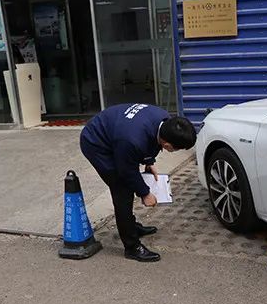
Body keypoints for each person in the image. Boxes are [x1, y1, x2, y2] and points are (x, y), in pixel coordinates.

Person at [80, 103, 197, 262]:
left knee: (127, 180)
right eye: (176, 149)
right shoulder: (131, 140)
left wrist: (149, 162)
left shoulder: (163, 119)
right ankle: (132, 246)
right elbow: (126, 171)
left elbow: (152, 141)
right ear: (168, 145)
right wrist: (145, 193)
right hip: (96, 142)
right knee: (122, 190)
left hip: (117, 132)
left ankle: (132, 226)